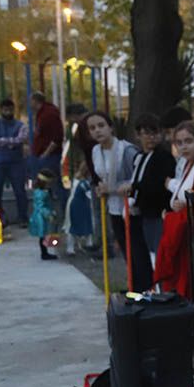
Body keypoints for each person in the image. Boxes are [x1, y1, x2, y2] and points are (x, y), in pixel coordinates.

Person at [154, 120, 194, 297]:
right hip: (184, 229)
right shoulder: (185, 164)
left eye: (189, 141)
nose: (184, 147)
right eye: (180, 143)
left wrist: (182, 204)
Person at [87, 110, 138, 275]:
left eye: (101, 126)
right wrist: (101, 189)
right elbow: (102, 177)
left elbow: (138, 181)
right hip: (113, 207)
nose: (97, 130)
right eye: (92, 128)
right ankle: (133, 285)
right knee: (124, 249)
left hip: (131, 207)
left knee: (135, 251)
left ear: (111, 128)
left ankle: (142, 287)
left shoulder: (127, 150)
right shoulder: (95, 151)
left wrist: (112, 189)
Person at [129, 113, 177, 270]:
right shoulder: (140, 156)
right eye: (147, 134)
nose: (151, 138)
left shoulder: (164, 157)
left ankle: (160, 288)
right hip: (143, 212)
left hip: (158, 212)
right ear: (138, 135)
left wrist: (136, 188)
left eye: (155, 133)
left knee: (158, 253)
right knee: (147, 253)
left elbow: (158, 184)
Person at [0, 99, 28, 225]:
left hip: (15, 163)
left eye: (10, 110)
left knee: (20, 191)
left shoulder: (20, 125)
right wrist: (11, 142)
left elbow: (21, 139)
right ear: (1, 110)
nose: (8, 112)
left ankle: (22, 218)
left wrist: (3, 142)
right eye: (5, 110)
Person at [30, 92, 64, 209]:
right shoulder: (42, 114)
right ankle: (46, 210)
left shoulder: (49, 114)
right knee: (43, 185)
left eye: (31, 101)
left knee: (52, 184)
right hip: (42, 155)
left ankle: (59, 212)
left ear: (35, 101)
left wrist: (46, 153)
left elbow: (57, 137)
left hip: (48, 156)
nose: (30, 104)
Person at [62, 160, 94, 255]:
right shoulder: (84, 182)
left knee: (76, 225)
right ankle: (75, 247)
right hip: (78, 205)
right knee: (75, 225)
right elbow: (89, 195)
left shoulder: (77, 178)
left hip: (78, 204)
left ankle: (73, 247)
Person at [28, 168, 58, 261]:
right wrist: (48, 214)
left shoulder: (44, 191)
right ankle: (44, 253)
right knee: (43, 234)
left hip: (44, 215)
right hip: (41, 216)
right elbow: (40, 206)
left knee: (46, 234)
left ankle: (47, 250)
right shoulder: (40, 193)